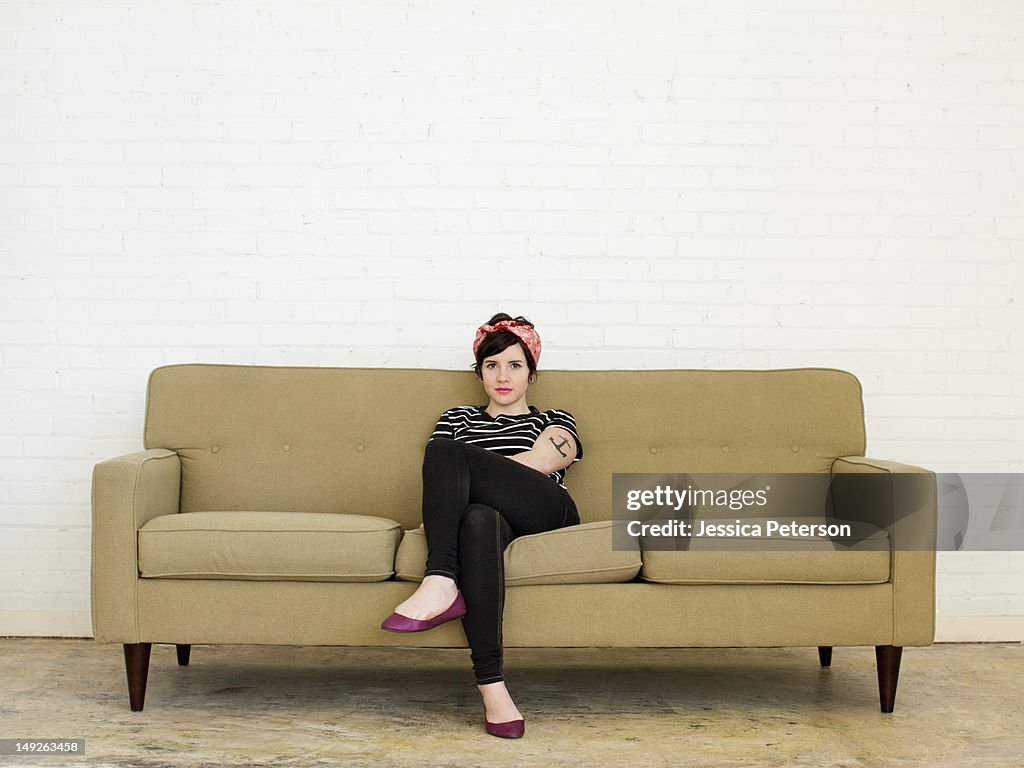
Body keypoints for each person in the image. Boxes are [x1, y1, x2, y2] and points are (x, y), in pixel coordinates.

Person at [380, 313, 583, 739]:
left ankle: (438, 579)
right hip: (492, 525)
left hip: (544, 510)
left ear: (531, 373)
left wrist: (455, 495)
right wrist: (463, 504)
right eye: (492, 366)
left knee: (447, 458)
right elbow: (462, 494)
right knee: (476, 519)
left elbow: (544, 462)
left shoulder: (552, 420)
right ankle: (493, 689)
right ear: (480, 373)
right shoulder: (458, 420)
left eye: (514, 365)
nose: (503, 376)